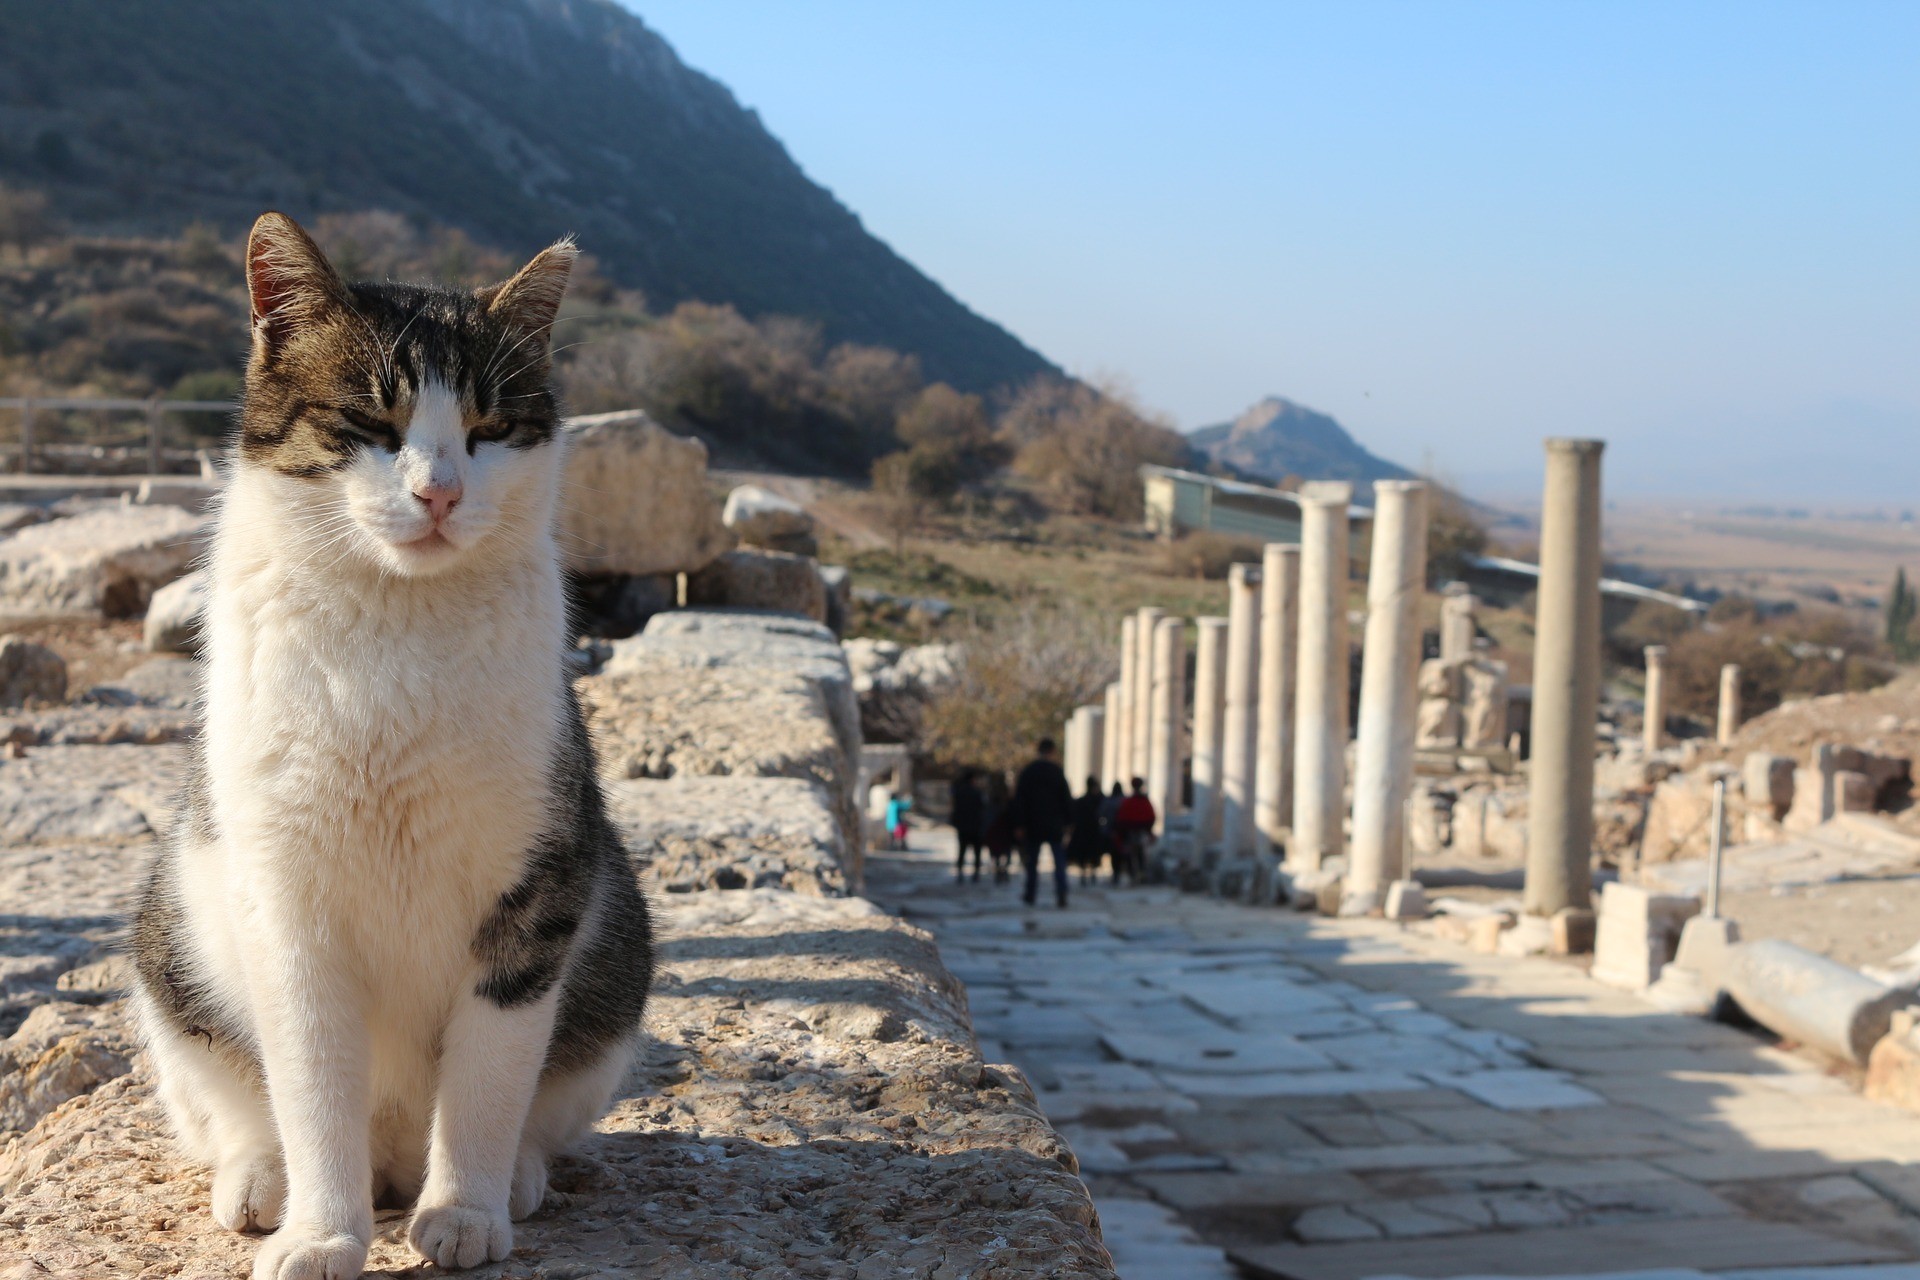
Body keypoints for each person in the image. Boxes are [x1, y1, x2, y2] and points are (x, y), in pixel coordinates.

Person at [1009, 737, 1074, 908]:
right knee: (1059, 861)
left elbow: (1019, 800)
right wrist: (1069, 822)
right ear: (1052, 751)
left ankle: (1031, 894)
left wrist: (1019, 824)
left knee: (1032, 862)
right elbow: (1066, 799)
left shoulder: (1029, 772)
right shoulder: (1056, 771)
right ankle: (1061, 893)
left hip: (1033, 824)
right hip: (1054, 824)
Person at [1112, 776, 1157, 886]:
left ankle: (1136, 875)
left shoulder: (1129, 801)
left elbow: (1121, 818)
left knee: (1132, 854)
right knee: (1138, 854)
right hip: (1137, 832)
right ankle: (1138, 875)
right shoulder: (1142, 801)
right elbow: (1151, 817)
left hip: (1133, 833)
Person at [1067, 775, 1107, 886]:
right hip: (1088, 831)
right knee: (1087, 854)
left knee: (1088, 855)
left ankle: (1088, 873)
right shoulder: (1095, 800)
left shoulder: (1086, 800)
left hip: (1087, 832)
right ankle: (1086, 874)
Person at [950, 768, 987, 882]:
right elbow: (982, 808)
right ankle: (975, 874)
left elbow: (955, 809)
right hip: (975, 826)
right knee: (976, 852)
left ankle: (960, 873)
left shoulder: (959, 792)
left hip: (963, 826)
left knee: (962, 850)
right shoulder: (977, 793)